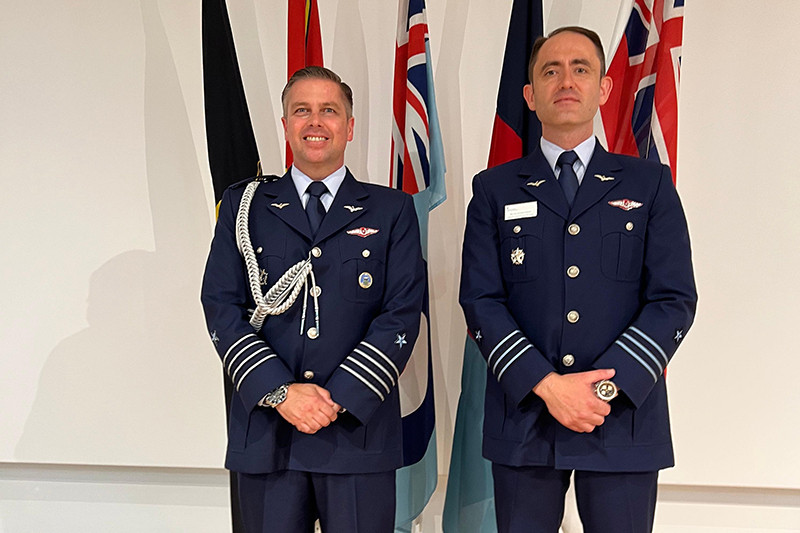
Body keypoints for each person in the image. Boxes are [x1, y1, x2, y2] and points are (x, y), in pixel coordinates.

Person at [459, 26, 697, 533]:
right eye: (550, 70)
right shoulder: (493, 189)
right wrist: (548, 386)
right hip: (526, 415)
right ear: (530, 95)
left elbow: (673, 299)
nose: (565, 80)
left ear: (604, 88)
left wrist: (603, 391)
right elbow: (481, 300)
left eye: (580, 68)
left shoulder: (649, 184)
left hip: (623, 418)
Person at [201, 66, 425, 533]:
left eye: (329, 110)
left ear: (349, 126)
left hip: (357, 433)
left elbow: (401, 312)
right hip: (268, 433)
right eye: (302, 111)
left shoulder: (391, 210)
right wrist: (282, 393)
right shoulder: (245, 205)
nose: (315, 121)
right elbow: (221, 306)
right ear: (285, 124)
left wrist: (336, 399)